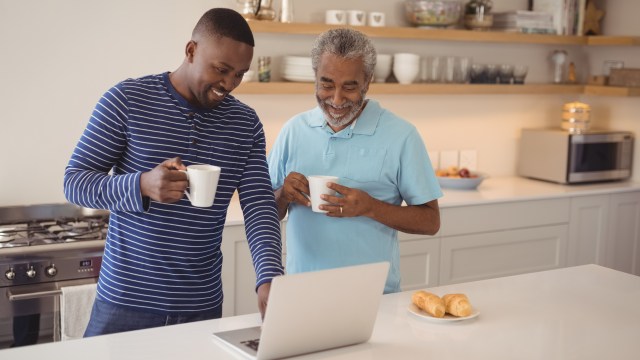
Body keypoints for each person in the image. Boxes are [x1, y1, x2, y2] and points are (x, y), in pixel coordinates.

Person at [64, 8, 283, 336]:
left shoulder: (245, 124)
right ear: (191, 50)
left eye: (239, 74)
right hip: (125, 303)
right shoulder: (127, 100)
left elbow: (259, 206)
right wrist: (142, 185)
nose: (229, 84)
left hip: (202, 306)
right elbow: (74, 181)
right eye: (221, 70)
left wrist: (268, 275)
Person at [267, 28, 442, 294]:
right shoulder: (293, 131)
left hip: (374, 297)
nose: (336, 99)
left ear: (367, 81)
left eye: (349, 87)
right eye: (326, 84)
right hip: (301, 293)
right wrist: (282, 196)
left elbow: (431, 221)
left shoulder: (402, 136)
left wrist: (369, 207)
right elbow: (264, 214)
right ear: (315, 77)